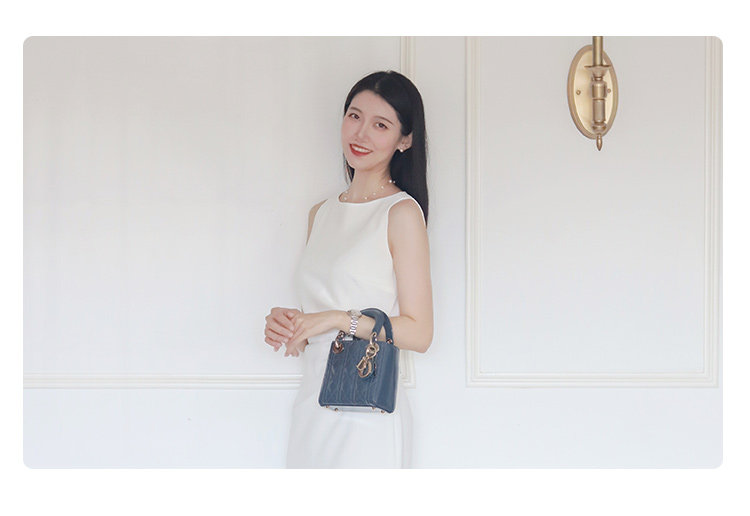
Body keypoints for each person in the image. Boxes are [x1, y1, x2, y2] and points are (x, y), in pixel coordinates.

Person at [264, 70, 433, 468]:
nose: (361, 133)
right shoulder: (321, 213)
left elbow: (420, 332)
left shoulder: (401, 213)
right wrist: (292, 327)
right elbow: (318, 324)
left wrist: (337, 319)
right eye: (354, 116)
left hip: (366, 412)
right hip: (313, 405)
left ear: (405, 140)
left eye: (380, 125)